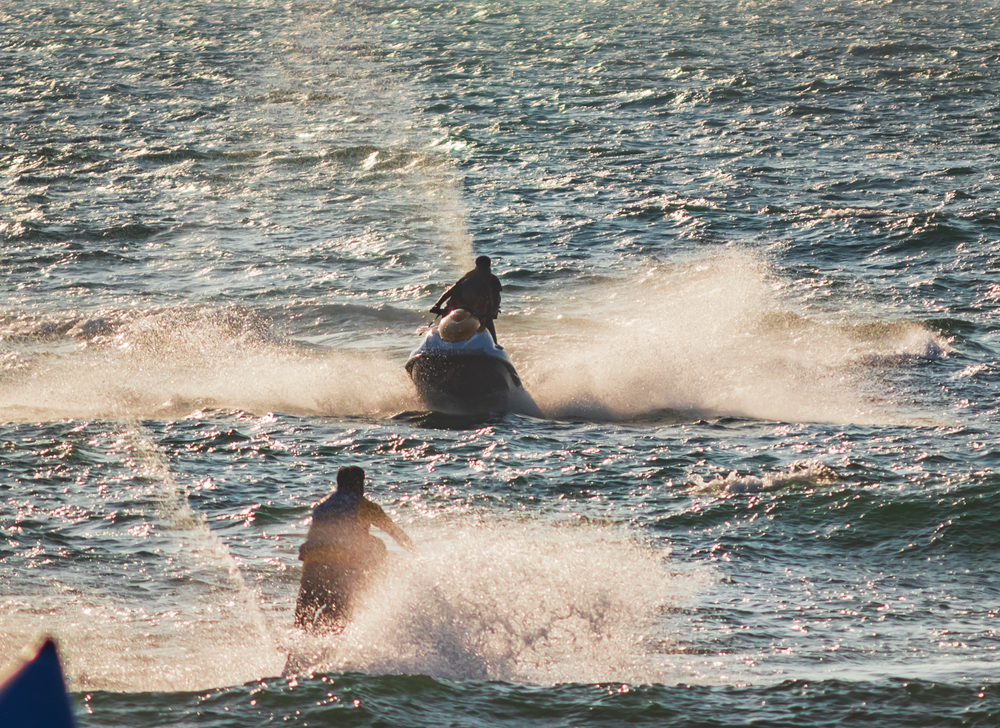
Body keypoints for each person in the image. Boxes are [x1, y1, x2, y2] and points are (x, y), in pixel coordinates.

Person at [294, 465, 416, 633]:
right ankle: (324, 645)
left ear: (339, 484)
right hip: (338, 569)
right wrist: (418, 554)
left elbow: (308, 547)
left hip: (311, 569)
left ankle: (297, 653)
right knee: (337, 620)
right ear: (358, 485)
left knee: (301, 625)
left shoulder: (321, 508)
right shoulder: (362, 505)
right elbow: (394, 532)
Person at [430, 255, 502, 345]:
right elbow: (451, 291)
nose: (482, 273)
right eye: (480, 269)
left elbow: (497, 298)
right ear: (476, 267)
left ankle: (494, 345)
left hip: (481, 309)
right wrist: (438, 305)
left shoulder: (493, 280)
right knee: (450, 318)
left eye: (485, 269)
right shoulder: (468, 278)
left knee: (487, 321)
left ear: (489, 267)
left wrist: (493, 311)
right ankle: (441, 343)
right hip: (463, 308)